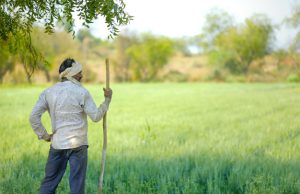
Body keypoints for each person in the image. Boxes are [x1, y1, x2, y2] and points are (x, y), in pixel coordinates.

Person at [29, 58, 112, 194]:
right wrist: (107, 100)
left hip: (57, 144)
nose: (82, 75)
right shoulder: (82, 92)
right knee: (77, 187)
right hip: (78, 146)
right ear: (71, 74)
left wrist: (44, 135)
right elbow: (96, 116)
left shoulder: (48, 92)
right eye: (79, 72)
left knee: (48, 184)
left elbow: (33, 117)